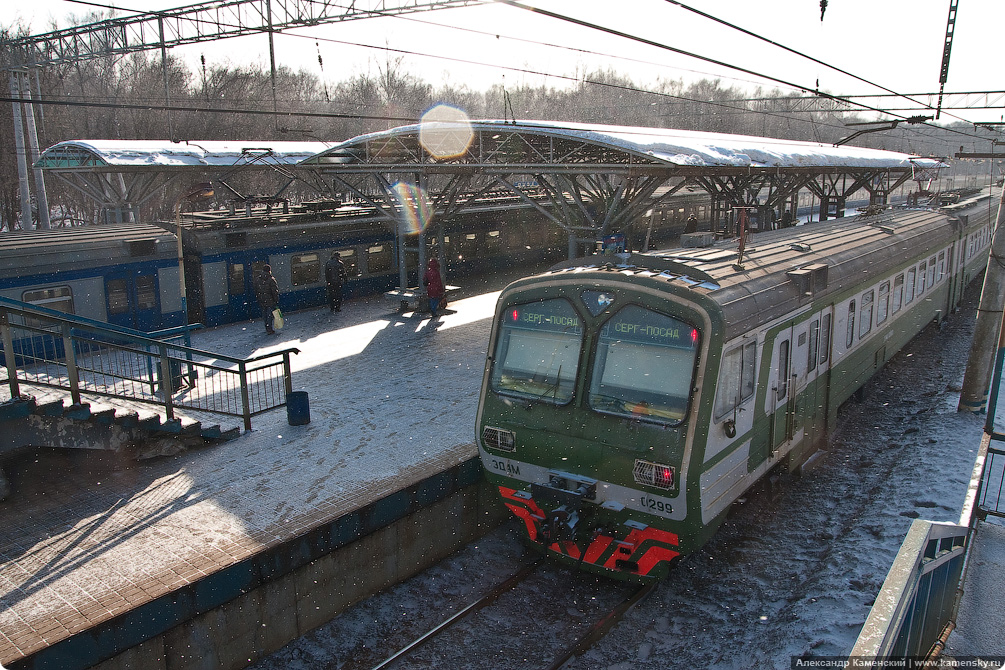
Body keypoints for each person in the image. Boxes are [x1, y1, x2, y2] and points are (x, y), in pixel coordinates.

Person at [253, 264, 280, 334]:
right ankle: (270, 329)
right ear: (269, 271)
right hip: (270, 300)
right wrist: (276, 300)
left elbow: (256, 290)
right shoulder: (271, 280)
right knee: (270, 315)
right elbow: (274, 291)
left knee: (265, 315)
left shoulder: (257, 280)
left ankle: (267, 327)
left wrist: (259, 298)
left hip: (262, 300)